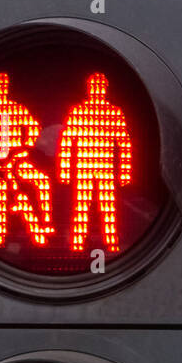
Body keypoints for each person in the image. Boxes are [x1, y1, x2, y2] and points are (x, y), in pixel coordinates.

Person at [0, 71, 54, 247]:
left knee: (42, 181)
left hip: (18, 161)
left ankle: (45, 223)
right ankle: (0, 240)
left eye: (2, 86)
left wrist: (23, 149)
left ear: (5, 88)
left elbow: (34, 129)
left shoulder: (16, 109)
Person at [58, 71, 133, 253]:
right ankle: (78, 242)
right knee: (82, 207)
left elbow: (124, 144)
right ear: (89, 88)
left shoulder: (114, 112)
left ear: (105, 89)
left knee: (107, 207)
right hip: (84, 168)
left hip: (105, 168)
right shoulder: (79, 111)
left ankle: (110, 242)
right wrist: (65, 169)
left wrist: (124, 170)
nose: (97, 90)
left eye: (100, 86)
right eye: (94, 86)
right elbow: (67, 142)